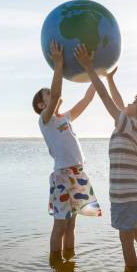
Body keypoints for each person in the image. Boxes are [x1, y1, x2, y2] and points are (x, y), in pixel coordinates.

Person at [73, 43, 137, 267]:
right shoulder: (136, 128)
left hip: (124, 193)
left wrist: (89, 68)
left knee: (126, 238)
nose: (127, 104)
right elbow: (118, 101)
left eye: (133, 103)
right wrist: (111, 79)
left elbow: (106, 99)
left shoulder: (127, 125)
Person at [32, 39, 101, 253]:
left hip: (77, 173)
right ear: (42, 105)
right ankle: (56, 269)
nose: (54, 95)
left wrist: (99, 73)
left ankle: (69, 268)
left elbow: (87, 99)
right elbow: (57, 94)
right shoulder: (46, 119)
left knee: (72, 224)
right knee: (60, 225)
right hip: (62, 175)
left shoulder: (65, 118)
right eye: (49, 94)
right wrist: (58, 63)